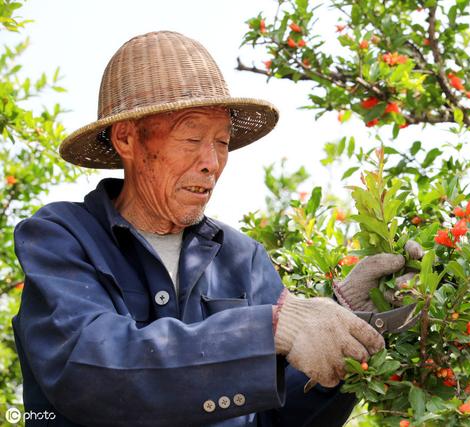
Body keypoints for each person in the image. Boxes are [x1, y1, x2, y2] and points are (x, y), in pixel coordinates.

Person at [12, 31, 407, 426]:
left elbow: (277, 419)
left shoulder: (243, 258)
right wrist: (265, 331)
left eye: (222, 142)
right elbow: (90, 368)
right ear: (126, 138)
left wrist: (351, 322)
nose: (212, 162)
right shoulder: (60, 238)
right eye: (192, 137)